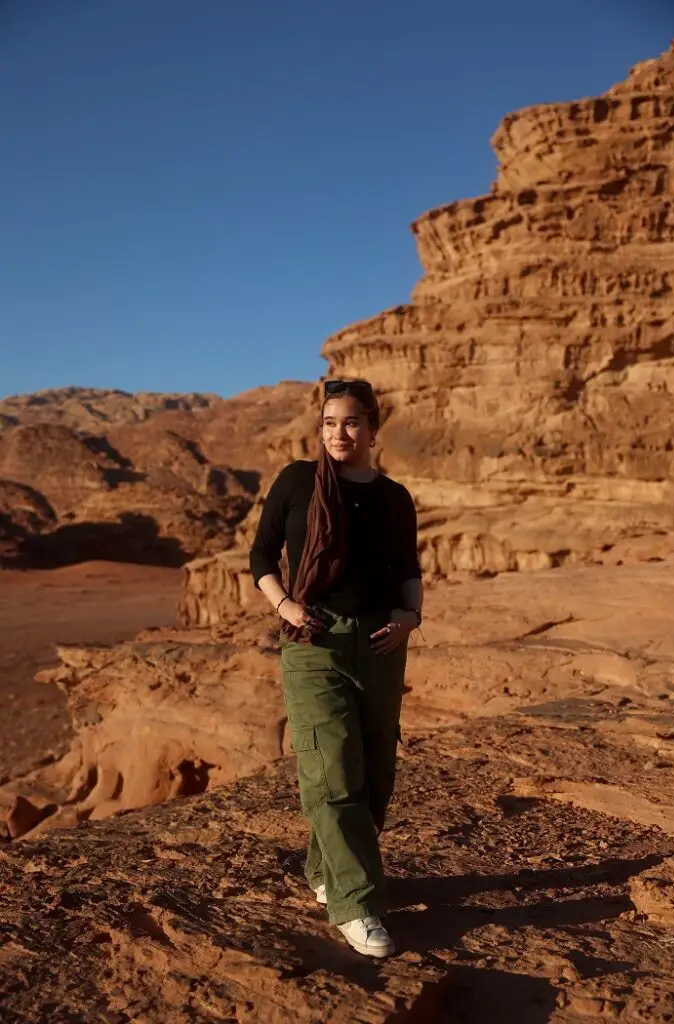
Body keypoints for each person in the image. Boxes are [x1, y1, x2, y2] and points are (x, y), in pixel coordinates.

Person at [249, 378, 422, 958]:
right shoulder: (298, 481)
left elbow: (407, 568)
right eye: (328, 423)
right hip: (313, 643)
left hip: (378, 644)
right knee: (332, 767)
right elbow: (261, 555)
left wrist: (410, 617)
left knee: (375, 774)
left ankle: (325, 870)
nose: (338, 434)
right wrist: (286, 605)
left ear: (373, 429)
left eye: (350, 423)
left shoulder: (394, 497)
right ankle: (358, 904)